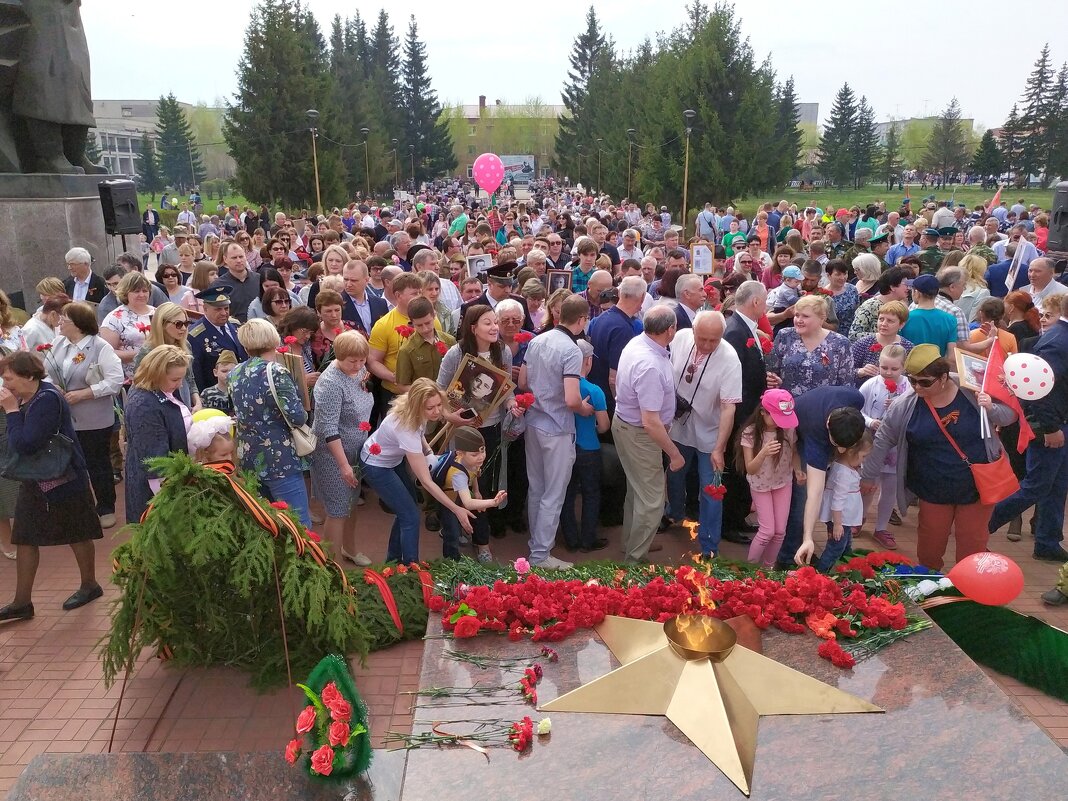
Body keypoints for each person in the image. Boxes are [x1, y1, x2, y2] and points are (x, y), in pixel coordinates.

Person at [860, 345, 1016, 570]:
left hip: (976, 485)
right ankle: (931, 588)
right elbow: (884, 439)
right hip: (933, 487)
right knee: (929, 547)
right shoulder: (906, 404)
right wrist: (868, 476)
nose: (916, 387)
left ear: (943, 377)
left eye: (924, 382)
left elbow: (1009, 415)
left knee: (972, 543)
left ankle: (969, 591)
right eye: (912, 380)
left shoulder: (971, 388)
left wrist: (991, 408)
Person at [0, 352, 104, 621]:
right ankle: (21, 602)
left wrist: (11, 411)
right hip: (37, 480)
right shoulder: (32, 396)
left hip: (64, 478)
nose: (5, 383)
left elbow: (25, 443)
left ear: (29, 376)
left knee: (77, 532)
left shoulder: (46, 399)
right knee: (24, 536)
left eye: (9, 377)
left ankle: (89, 585)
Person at [986, 294, 1068, 563]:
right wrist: (1050, 427)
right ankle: (984, 524)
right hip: (1052, 426)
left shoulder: (1058, 337)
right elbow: (1040, 389)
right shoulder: (1059, 341)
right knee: (1036, 485)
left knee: (1056, 485)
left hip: (1058, 423)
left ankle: (1047, 540)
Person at [359, 379, 474, 563]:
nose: (437, 411)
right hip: (376, 466)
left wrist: (428, 452)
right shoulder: (406, 429)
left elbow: (420, 433)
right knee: (411, 516)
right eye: (430, 408)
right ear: (417, 405)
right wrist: (456, 509)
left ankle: (394, 561)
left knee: (407, 510)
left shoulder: (413, 408)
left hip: (392, 460)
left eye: (439, 405)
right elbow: (426, 482)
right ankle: (411, 568)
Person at [519, 295, 593, 570]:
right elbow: (573, 399)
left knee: (537, 488)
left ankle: (536, 547)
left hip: (534, 423)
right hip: (558, 428)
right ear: (582, 319)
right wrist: (585, 409)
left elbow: (523, 382)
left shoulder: (537, 339)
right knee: (553, 493)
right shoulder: (572, 350)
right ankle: (540, 554)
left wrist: (541, 396)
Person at [665, 311, 742, 558]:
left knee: (711, 489)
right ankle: (675, 513)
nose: (708, 345)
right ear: (693, 331)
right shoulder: (680, 337)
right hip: (678, 425)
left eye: (714, 340)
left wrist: (720, 448)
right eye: (703, 339)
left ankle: (709, 545)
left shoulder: (730, 358)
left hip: (710, 431)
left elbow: (729, 407)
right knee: (675, 474)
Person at [438, 304, 518, 540]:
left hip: (491, 428)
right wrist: (450, 416)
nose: (495, 327)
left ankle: (481, 539)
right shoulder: (455, 354)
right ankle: (456, 531)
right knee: (459, 482)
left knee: (482, 482)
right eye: (488, 323)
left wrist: (512, 404)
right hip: (462, 432)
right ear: (473, 328)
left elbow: (505, 391)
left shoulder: (503, 352)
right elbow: (439, 391)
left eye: (495, 322)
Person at [613, 304, 685, 563]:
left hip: (626, 425)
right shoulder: (650, 364)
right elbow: (651, 423)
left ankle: (631, 544)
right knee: (653, 501)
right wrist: (674, 454)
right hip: (640, 435)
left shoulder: (638, 343)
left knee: (637, 492)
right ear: (669, 330)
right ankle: (635, 560)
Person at [45, 301, 124, 529]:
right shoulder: (59, 343)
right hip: (64, 418)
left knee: (97, 463)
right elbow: (45, 371)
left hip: (93, 419)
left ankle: (106, 507)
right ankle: (75, 508)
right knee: (67, 465)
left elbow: (114, 381)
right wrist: (53, 387)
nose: (59, 323)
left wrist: (85, 394)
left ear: (78, 324)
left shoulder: (100, 347)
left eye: (65, 320)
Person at [230, 319, 312, 526]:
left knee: (264, 524)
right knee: (298, 525)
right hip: (279, 458)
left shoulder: (234, 373)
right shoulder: (277, 372)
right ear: (273, 339)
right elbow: (298, 416)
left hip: (248, 457)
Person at [310, 330, 374, 567]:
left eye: (362, 360)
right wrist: (344, 465)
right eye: (352, 361)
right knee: (337, 510)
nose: (358, 365)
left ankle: (350, 549)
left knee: (351, 505)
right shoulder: (330, 384)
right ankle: (333, 564)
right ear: (338, 355)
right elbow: (328, 428)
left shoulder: (359, 372)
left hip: (355, 451)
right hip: (333, 456)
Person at [123, 346, 192, 524]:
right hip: (156, 492)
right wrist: (172, 501)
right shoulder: (144, 405)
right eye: (175, 379)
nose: (180, 384)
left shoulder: (160, 391)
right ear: (156, 373)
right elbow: (154, 463)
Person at [858, 344, 913, 550]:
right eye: (884, 368)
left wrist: (899, 407)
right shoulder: (870, 385)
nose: (888, 373)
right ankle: (859, 518)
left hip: (895, 446)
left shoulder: (909, 388)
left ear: (903, 367)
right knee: (867, 485)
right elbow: (858, 409)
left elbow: (914, 412)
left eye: (894, 369)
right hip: (871, 444)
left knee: (889, 487)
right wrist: (870, 422)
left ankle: (881, 527)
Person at [737, 389, 800, 568]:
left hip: (783, 482)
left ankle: (768, 568)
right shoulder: (750, 433)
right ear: (763, 412)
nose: (780, 423)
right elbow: (750, 468)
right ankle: (749, 570)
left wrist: (798, 469)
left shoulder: (788, 428)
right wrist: (763, 452)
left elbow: (794, 452)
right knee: (767, 531)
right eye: (776, 418)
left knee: (780, 532)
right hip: (760, 485)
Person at [560, 339, 610, 554]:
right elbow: (604, 425)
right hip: (589, 447)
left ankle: (570, 538)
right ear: (588, 361)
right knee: (591, 493)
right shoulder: (594, 390)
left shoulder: (561, 386)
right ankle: (588, 539)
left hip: (566, 446)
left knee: (567, 493)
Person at [436, 426, 508, 563]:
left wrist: (477, 491)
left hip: (461, 494)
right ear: (460, 454)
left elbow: (474, 473)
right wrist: (493, 502)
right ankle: (451, 561)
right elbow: (468, 503)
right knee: (452, 532)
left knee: (458, 523)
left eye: (483, 451)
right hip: (450, 501)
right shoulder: (457, 475)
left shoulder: (473, 461)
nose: (481, 457)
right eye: (475, 454)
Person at [770, 295, 853, 398]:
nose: (799, 320)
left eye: (805, 316)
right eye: (797, 315)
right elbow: (772, 370)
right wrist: (774, 380)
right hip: (787, 406)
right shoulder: (785, 336)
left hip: (823, 407)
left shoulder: (840, 343)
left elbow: (846, 384)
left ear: (822, 318)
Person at [816, 432, 873, 572]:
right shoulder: (843, 474)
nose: (863, 461)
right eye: (863, 456)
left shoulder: (844, 467)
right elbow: (838, 500)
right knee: (835, 548)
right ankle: (820, 573)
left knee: (845, 545)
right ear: (851, 452)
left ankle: (846, 569)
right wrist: (837, 524)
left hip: (844, 520)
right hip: (840, 519)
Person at [132, 303, 201, 410]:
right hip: (158, 406)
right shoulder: (148, 351)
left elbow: (190, 379)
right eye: (178, 324)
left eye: (186, 323)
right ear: (162, 324)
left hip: (184, 401)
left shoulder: (186, 345)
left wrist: (197, 403)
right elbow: (140, 385)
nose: (183, 328)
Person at [188, 287, 248, 391]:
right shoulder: (195, 336)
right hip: (216, 395)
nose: (224, 313)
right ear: (205, 309)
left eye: (226, 308)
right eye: (218, 309)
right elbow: (197, 374)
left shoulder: (235, 326)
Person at [100, 272, 155, 382]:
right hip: (130, 380)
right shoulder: (114, 318)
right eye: (136, 291)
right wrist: (141, 354)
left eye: (145, 291)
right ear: (126, 293)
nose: (142, 295)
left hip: (159, 375)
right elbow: (106, 352)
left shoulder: (158, 313)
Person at [851, 301, 914, 385]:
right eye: (881, 319)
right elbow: (845, 370)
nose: (884, 324)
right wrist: (860, 371)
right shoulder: (864, 343)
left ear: (901, 325)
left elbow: (913, 376)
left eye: (890, 321)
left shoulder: (908, 347)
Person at [900, 274, 958, 358]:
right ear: (937, 292)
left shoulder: (905, 317)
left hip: (909, 368)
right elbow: (952, 356)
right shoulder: (950, 320)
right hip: (935, 368)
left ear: (917, 293)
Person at [200, 349, 237, 414]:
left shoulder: (241, 393)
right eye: (224, 371)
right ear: (215, 372)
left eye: (232, 371)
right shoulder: (207, 394)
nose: (228, 374)